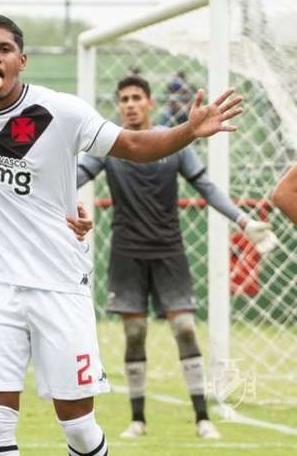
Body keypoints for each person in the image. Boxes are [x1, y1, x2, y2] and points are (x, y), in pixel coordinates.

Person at [0, 14, 244, 456]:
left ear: (22, 59)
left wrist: (188, 130)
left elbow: (135, 147)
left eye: (4, 49)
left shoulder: (62, 111)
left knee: (78, 427)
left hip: (59, 285)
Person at [76, 74, 277, 440]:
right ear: (119, 105)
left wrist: (245, 221)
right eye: (124, 98)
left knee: (184, 328)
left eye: (137, 97)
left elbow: (207, 187)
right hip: (127, 253)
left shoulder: (176, 143)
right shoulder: (107, 145)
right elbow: (73, 178)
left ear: (150, 103)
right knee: (134, 333)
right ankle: (138, 420)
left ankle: (203, 417)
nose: (131, 104)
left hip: (169, 251)